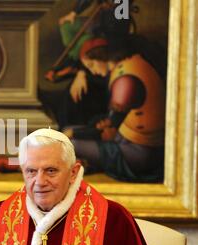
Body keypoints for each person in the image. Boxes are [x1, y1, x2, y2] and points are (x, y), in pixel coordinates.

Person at [0, 128, 161, 245]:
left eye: (50, 171)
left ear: (73, 172)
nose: (39, 182)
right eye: (31, 171)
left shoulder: (114, 220)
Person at [64, 37, 165, 182]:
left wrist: (73, 133)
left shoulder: (125, 80)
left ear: (101, 57)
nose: (93, 71)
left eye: (92, 65)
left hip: (141, 152)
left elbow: (108, 132)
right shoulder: (130, 64)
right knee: (68, 132)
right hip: (126, 139)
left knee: (70, 143)